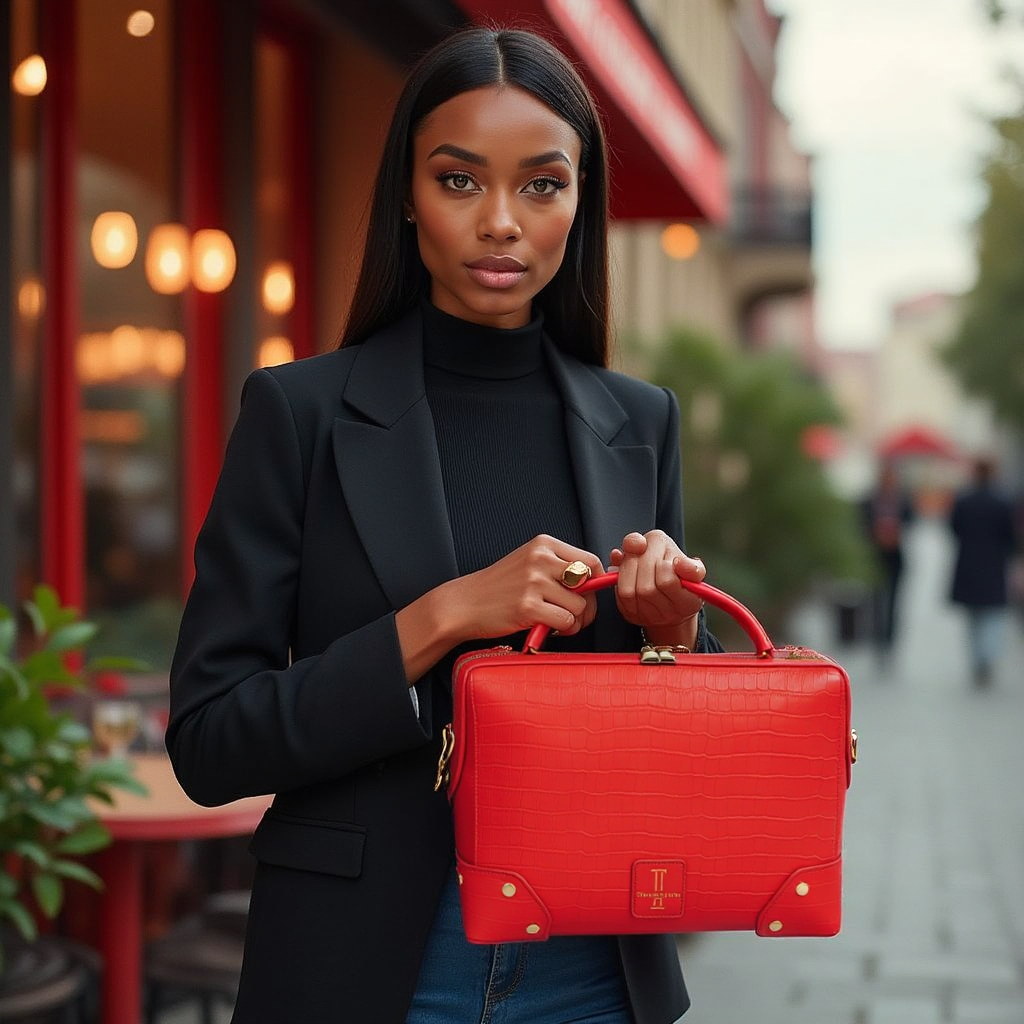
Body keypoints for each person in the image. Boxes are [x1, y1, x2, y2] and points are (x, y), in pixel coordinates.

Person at [167, 25, 720, 1024]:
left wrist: (672, 635)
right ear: (408, 199)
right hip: (368, 970)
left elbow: (678, 738)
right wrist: (441, 619)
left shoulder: (639, 422)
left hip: (594, 971)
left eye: (541, 185)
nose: (500, 221)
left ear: (578, 203)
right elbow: (210, 742)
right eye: (460, 181)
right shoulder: (300, 415)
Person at [948, 457, 1018, 687]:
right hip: (995, 565)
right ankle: (986, 656)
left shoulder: (964, 500)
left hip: (968, 564)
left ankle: (978, 657)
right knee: (992, 616)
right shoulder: (1003, 502)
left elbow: (954, 528)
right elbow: (1012, 536)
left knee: (973, 616)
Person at [861, 460, 914, 656]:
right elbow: (861, 524)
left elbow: (911, 520)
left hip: (895, 556)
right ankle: (877, 638)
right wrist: (876, 533)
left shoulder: (903, 500)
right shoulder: (869, 500)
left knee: (893, 600)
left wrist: (896, 532)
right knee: (875, 599)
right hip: (875, 556)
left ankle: (890, 638)